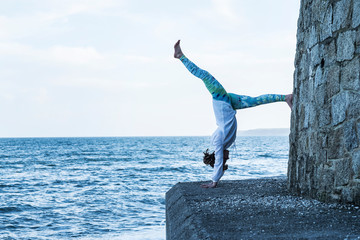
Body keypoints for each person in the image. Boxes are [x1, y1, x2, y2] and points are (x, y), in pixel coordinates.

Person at [174, 40, 293, 188]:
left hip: (221, 99)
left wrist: (214, 181)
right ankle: (286, 97)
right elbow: (219, 160)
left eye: (226, 159)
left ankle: (180, 56)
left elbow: (218, 160)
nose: (228, 157)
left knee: (204, 75)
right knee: (256, 101)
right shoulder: (226, 143)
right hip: (229, 104)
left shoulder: (218, 142)